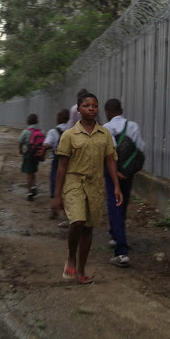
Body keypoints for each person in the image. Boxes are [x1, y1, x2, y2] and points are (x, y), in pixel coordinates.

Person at [51, 92, 123, 284]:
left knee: (88, 228)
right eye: (86, 105)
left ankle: (81, 268)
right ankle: (71, 258)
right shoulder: (69, 135)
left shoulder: (105, 134)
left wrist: (116, 186)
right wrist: (57, 195)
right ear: (79, 109)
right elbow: (62, 167)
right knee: (77, 221)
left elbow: (110, 161)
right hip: (74, 183)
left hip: (96, 185)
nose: (91, 108)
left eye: (94, 106)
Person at [103, 98, 146, 267]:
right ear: (121, 110)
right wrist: (126, 172)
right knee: (123, 204)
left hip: (113, 174)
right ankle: (114, 235)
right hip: (128, 174)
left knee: (114, 208)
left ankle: (121, 253)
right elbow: (141, 150)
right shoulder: (133, 126)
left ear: (107, 113)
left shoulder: (107, 128)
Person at [44, 108, 70, 221]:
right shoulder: (73, 131)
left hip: (57, 163)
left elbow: (47, 144)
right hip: (71, 163)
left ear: (58, 118)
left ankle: (58, 211)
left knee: (56, 187)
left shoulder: (53, 132)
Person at [18, 113, 42, 201]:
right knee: (33, 172)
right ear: (37, 121)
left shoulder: (26, 131)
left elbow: (20, 142)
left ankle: (30, 193)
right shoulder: (40, 131)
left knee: (28, 173)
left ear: (28, 122)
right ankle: (34, 186)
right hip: (36, 154)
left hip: (28, 154)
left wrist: (20, 150)